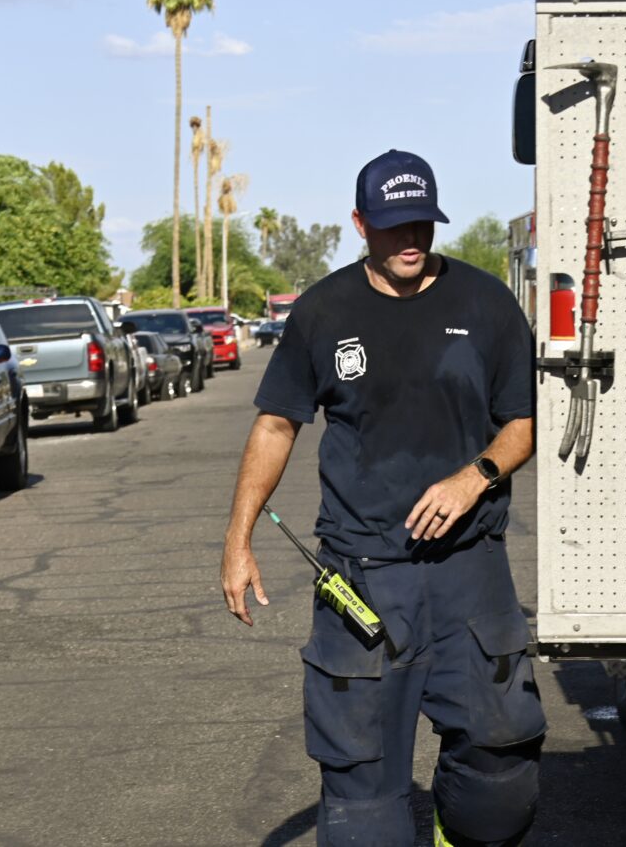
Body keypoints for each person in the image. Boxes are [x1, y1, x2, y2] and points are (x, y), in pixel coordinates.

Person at [220, 148, 546, 847]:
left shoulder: (486, 302)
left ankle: (456, 826)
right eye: (394, 225)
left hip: (470, 573)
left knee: (500, 789)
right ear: (360, 223)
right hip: (363, 580)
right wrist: (237, 540)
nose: (411, 239)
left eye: (422, 223)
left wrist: (475, 476)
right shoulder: (323, 311)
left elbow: (523, 423)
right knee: (363, 812)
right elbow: (276, 425)